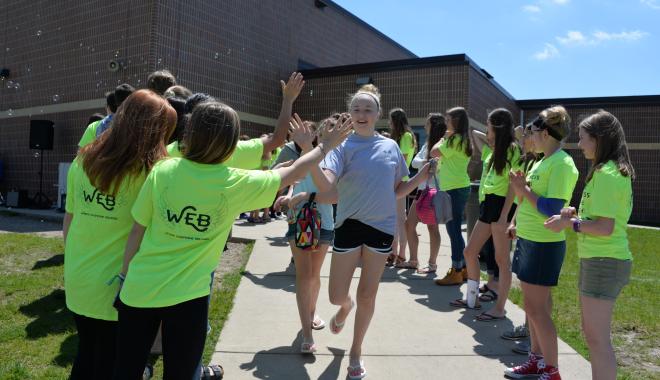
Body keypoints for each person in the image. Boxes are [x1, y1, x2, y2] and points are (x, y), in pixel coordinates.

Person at [111, 101, 353, 379]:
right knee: (181, 372)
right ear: (231, 143)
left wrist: (123, 278)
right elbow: (296, 173)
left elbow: (137, 230)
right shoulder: (234, 183)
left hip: (138, 289)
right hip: (188, 298)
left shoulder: (163, 170)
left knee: (125, 370)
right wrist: (325, 146)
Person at [311, 85, 437, 379]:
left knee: (368, 295)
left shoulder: (390, 146)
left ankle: (356, 351)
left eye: (368, 110)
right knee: (335, 296)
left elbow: (397, 191)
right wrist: (316, 150)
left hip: (381, 228)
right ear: (350, 113)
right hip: (348, 226)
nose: (361, 114)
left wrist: (421, 176)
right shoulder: (341, 146)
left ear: (378, 114)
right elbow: (326, 185)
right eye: (356, 109)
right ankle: (346, 307)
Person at [63, 90, 176, 380]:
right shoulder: (152, 174)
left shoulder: (82, 161)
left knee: (87, 353)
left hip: (80, 277)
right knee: (110, 363)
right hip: (120, 287)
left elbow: (69, 221)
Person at [544, 110, 634, 380]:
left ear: (599, 139)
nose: (580, 144)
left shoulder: (607, 174)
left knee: (597, 339)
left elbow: (605, 228)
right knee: (594, 335)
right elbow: (603, 220)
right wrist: (576, 216)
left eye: (584, 139)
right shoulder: (605, 171)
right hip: (599, 260)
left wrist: (569, 224)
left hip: (604, 261)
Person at [505, 105, 578, 380]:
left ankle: (552, 369)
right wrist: (515, 220)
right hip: (529, 239)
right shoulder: (540, 161)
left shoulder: (561, 163)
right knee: (533, 309)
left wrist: (523, 190)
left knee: (538, 310)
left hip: (544, 244)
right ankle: (536, 361)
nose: (529, 136)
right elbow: (531, 200)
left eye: (532, 131)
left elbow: (553, 208)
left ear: (545, 132)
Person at [273, 114, 336, 354]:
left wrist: (310, 150)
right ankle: (306, 333)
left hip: (325, 222)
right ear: (319, 133)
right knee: (304, 274)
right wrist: (288, 196)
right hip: (298, 219)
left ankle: (312, 312)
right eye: (328, 128)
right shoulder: (302, 156)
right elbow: (291, 180)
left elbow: (329, 190)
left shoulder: (335, 159)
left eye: (336, 129)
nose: (332, 132)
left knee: (314, 274)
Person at [450, 108, 520, 322]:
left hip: (500, 208)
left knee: (501, 261)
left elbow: (513, 186)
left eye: (488, 124)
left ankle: (500, 308)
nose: (485, 128)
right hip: (487, 205)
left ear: (496, 126)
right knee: (470, 252)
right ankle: (472, 298)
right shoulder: (494, 149)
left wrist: (504, 216)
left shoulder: (512, 149)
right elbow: (480, 136)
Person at [431, 107, 473, 286]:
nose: (446, 123)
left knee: (453, 230)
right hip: (458, 188)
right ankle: (463, 268)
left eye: (448, 120)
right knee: (454, 230)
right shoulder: (462, 139)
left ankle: (456, 271)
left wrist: (441, 139)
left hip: (454, 190)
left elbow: (433, 152)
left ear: (456, 121)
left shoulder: (453, 139)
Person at [404, 113, 447, 273]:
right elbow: (415, 162)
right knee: (409, 224)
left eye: (427, 124)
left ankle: (432, 264)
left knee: (432, 228)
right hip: (421, 190)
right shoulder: (428, 143)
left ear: (433, 125)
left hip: (434, 191)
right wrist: (426, 163)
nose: (424, 127)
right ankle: (413, 260)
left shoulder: (443, 143)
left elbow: (438, 167)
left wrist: (426, 163)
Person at [387, 108, 417, 267]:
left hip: (399, 181)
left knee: (399, 219)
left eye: (391, 120)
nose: (389, 123)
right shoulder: (402, 136)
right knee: (395, 219)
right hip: (395, 180)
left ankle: (401, 254)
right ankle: (393, 252)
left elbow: (403, 161)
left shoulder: (405, 136)